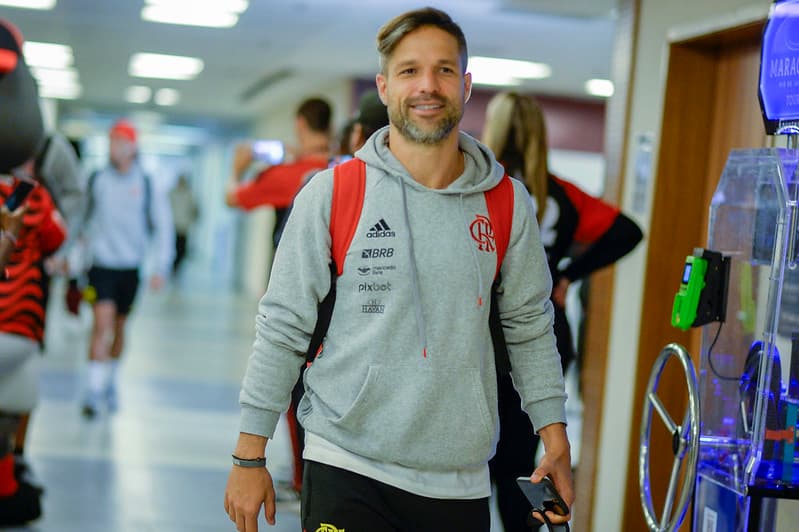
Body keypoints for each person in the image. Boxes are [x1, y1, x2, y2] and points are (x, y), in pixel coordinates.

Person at [223, 8, 573, 532]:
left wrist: (556, 436)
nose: (427, 85)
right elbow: (283, 325)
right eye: (409, 71)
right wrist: (249, 456)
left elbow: (528, 325)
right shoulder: (334, 193)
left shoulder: (506, 203)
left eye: (444, 70)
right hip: (346, 461)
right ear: (385, 87)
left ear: (467, 85)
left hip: (457, 478)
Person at [482, 91, 643, 531]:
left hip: (489, 336)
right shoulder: (561, 195)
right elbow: (627, 231)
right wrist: (569, 271)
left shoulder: (480, 190)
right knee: (522, 461)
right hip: (546, 334)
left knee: (477, 460)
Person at [70, 119, 174, 418]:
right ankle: (93, 390)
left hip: (130, 269)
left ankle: (110, 380)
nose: (113, 147)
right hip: (100, 266)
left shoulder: (146, 183)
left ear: (132, 146)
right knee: (100, 324)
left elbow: (162, 226)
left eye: (119, 141)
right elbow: (81, 220)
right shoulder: (97, 180)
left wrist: (161, 268)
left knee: (118, 328)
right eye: (111, 140)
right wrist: (70, 255)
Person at [225, 97, 333, 250]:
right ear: (330, 126)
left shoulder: (282, 174)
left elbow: (231, 199)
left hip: (291, 267)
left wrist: (237, 169)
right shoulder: (341, 165)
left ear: (300, 123)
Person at [169, 174, 198, 275]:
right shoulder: (171, 193)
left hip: (184, 227)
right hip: (172, 227)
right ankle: (172, 267)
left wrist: (193, 219)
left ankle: (176, 267)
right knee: (172, 249)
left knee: (182, 251)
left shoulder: (189, 194)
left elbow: (195, 209)